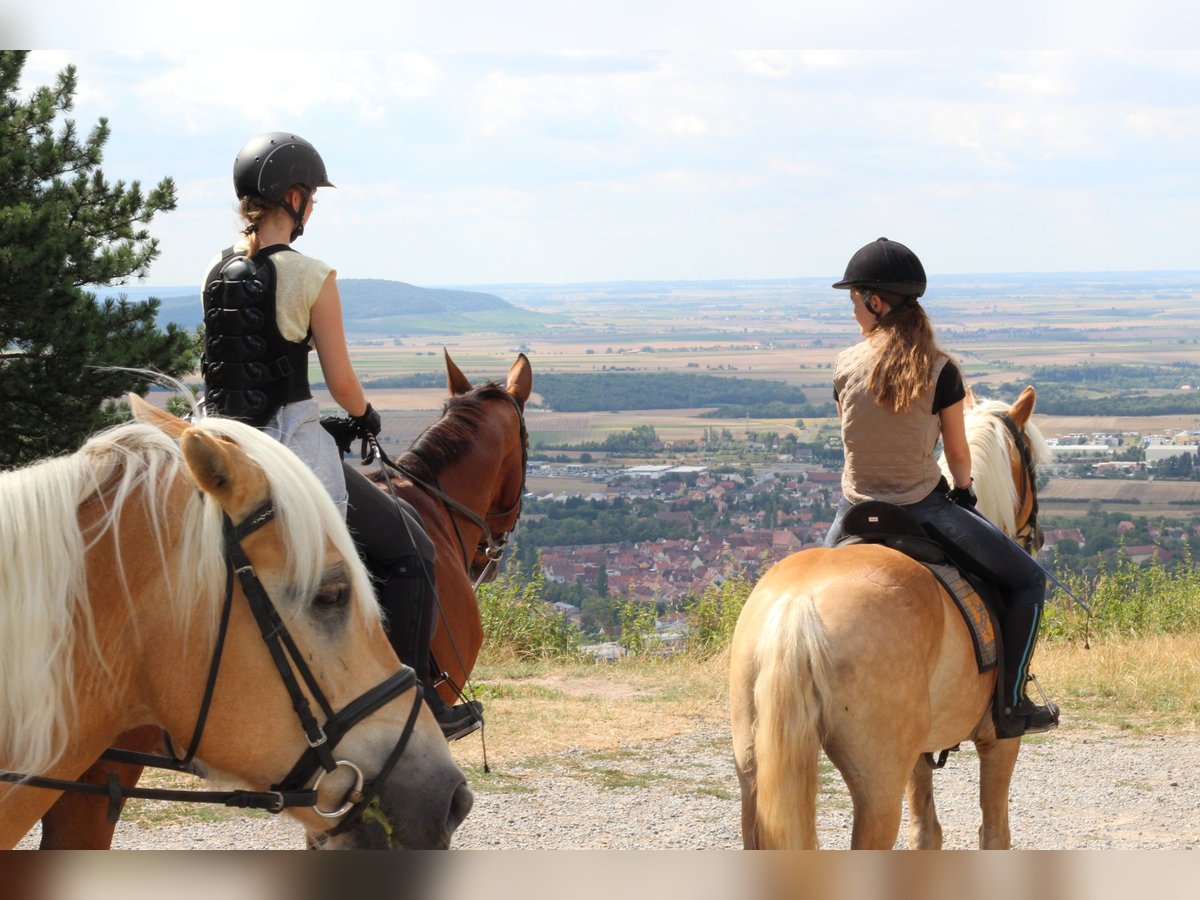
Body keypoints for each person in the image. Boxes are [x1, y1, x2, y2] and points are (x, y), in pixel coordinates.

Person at [200, 131, 481, 740]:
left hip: (220, 445)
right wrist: (364, 416)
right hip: (284, 455)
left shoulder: (215, 272)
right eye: (312, 199)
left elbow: (235, 376)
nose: (313, 210)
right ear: (294, 196)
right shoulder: (312, 276)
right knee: (413, 555)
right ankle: (412, 703)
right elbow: (342, 380)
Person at [823, 237, 1058, 740]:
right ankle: (1013, 700)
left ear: (876, 302)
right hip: (921, 507)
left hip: (852, 510)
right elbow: (956, 454)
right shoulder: (941, 369)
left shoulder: (844, 365)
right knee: (1028, 583)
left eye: (854, 302)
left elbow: (855, 433)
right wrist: (966, 492)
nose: (853, 313)